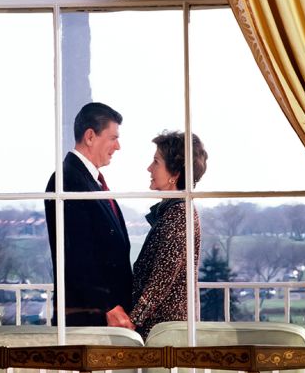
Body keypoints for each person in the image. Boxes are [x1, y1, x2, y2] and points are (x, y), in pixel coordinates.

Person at [44, 102, 134, 328]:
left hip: (102, 314)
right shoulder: (67, 180)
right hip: (89, 317)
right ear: (91, 136)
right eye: (113, 138)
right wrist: (109, 306)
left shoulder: (88, 179)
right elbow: (77, 257)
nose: (118, 146)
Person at [129, 131, 208, 339]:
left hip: (164, 333)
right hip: (162, 329)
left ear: (174, 174)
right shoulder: (174, 211)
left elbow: (161, 280)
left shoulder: (179, 215)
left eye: (156, 162)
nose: (149, 168)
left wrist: (131, 322)